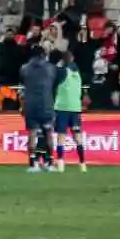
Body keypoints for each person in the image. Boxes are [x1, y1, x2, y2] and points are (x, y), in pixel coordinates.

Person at [20, 44, 59, 172]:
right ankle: (49, 162)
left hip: (31, 104)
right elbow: (55, 83)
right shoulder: (51, 68)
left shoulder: (25, 68)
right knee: (48, 133)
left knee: (32, 133)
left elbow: (23, 83)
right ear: (43, 54)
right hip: (46, 104)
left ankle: (33, 164)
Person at [53, 51, 87, 171]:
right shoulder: (77, 73)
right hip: (75, 108)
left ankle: (61, 162)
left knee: (61, 136)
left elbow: (54, 80)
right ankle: (82, 163)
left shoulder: (62, 71)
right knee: (77, 136)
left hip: (63, 107)